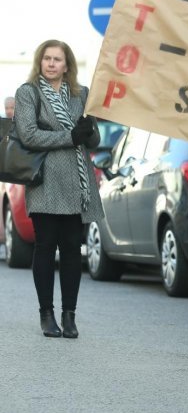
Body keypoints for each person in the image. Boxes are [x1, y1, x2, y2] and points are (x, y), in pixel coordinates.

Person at [16, 39, 103, 339]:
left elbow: (93, 141)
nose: (52, 64)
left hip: (77, 183)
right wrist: (70, 136)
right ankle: (46, 315)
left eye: (58, 59)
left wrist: (89, 128)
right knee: (45, 246)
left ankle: (70, 315)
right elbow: (28, 135)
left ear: (68, 65)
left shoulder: (82, 95)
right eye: (47, 59)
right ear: (40, 62)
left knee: (70, 250)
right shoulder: (28, 93)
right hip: (45, 181)